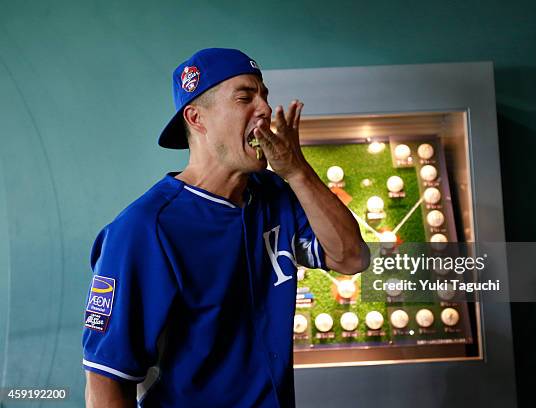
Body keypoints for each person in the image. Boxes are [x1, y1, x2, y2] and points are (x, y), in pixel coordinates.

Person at [82, 48, 369, 407]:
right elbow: (106, 379)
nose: (264, 108)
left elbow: (352, 257)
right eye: (245, 97)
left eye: (264, 95)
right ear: (197, 118)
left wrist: (297, 172)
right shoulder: (144, 228)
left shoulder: (275, 193)